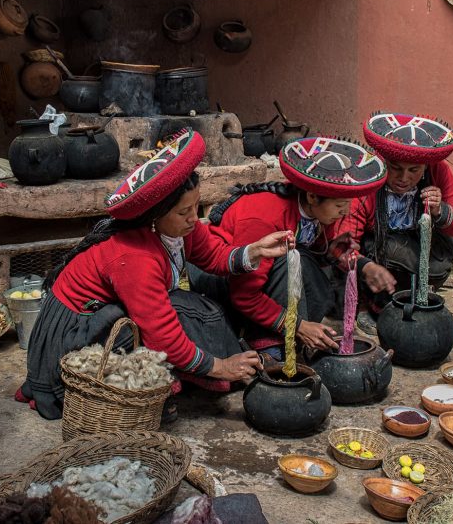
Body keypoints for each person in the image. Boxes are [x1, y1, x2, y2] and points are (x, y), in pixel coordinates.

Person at [16, 129, 295, 420]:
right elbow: (163, 335)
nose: (193, 218)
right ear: (155, 216)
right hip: (75, 332)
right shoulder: (135, 256)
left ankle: (187, 374)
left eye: (196, 207)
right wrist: (221, 366)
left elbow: (213, 255)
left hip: (104, 314)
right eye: (183, 212)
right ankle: (137, 392)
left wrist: (255, 251)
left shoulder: (180, 230)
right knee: (169, 316)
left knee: (193, 306)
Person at [202, 136, 388, 359]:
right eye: (340, 205)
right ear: (312, 196)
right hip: (222, 279)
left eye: (348, 204)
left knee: (318, 267)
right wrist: (298, 326)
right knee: (292, 259)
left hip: (265, 276)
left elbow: (325, 247)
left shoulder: (319, 212)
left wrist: (358, 263)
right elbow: (244, 295)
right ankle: (268, 343)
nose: (346, 212)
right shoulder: (264, 220)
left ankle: (297, 335)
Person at [334, 112, 453, 333]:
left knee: (439, 256)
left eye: (414, 170)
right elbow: (341, 243)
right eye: (395, 168)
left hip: (415, 248)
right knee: (370, 257)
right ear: (384, 161)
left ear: (426, 167)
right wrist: (366, 266)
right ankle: (364, 307)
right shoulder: (369, 174)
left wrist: (440, 210)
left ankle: (407, 299)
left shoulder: (439, 169)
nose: (404, 178)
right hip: (377, 251)